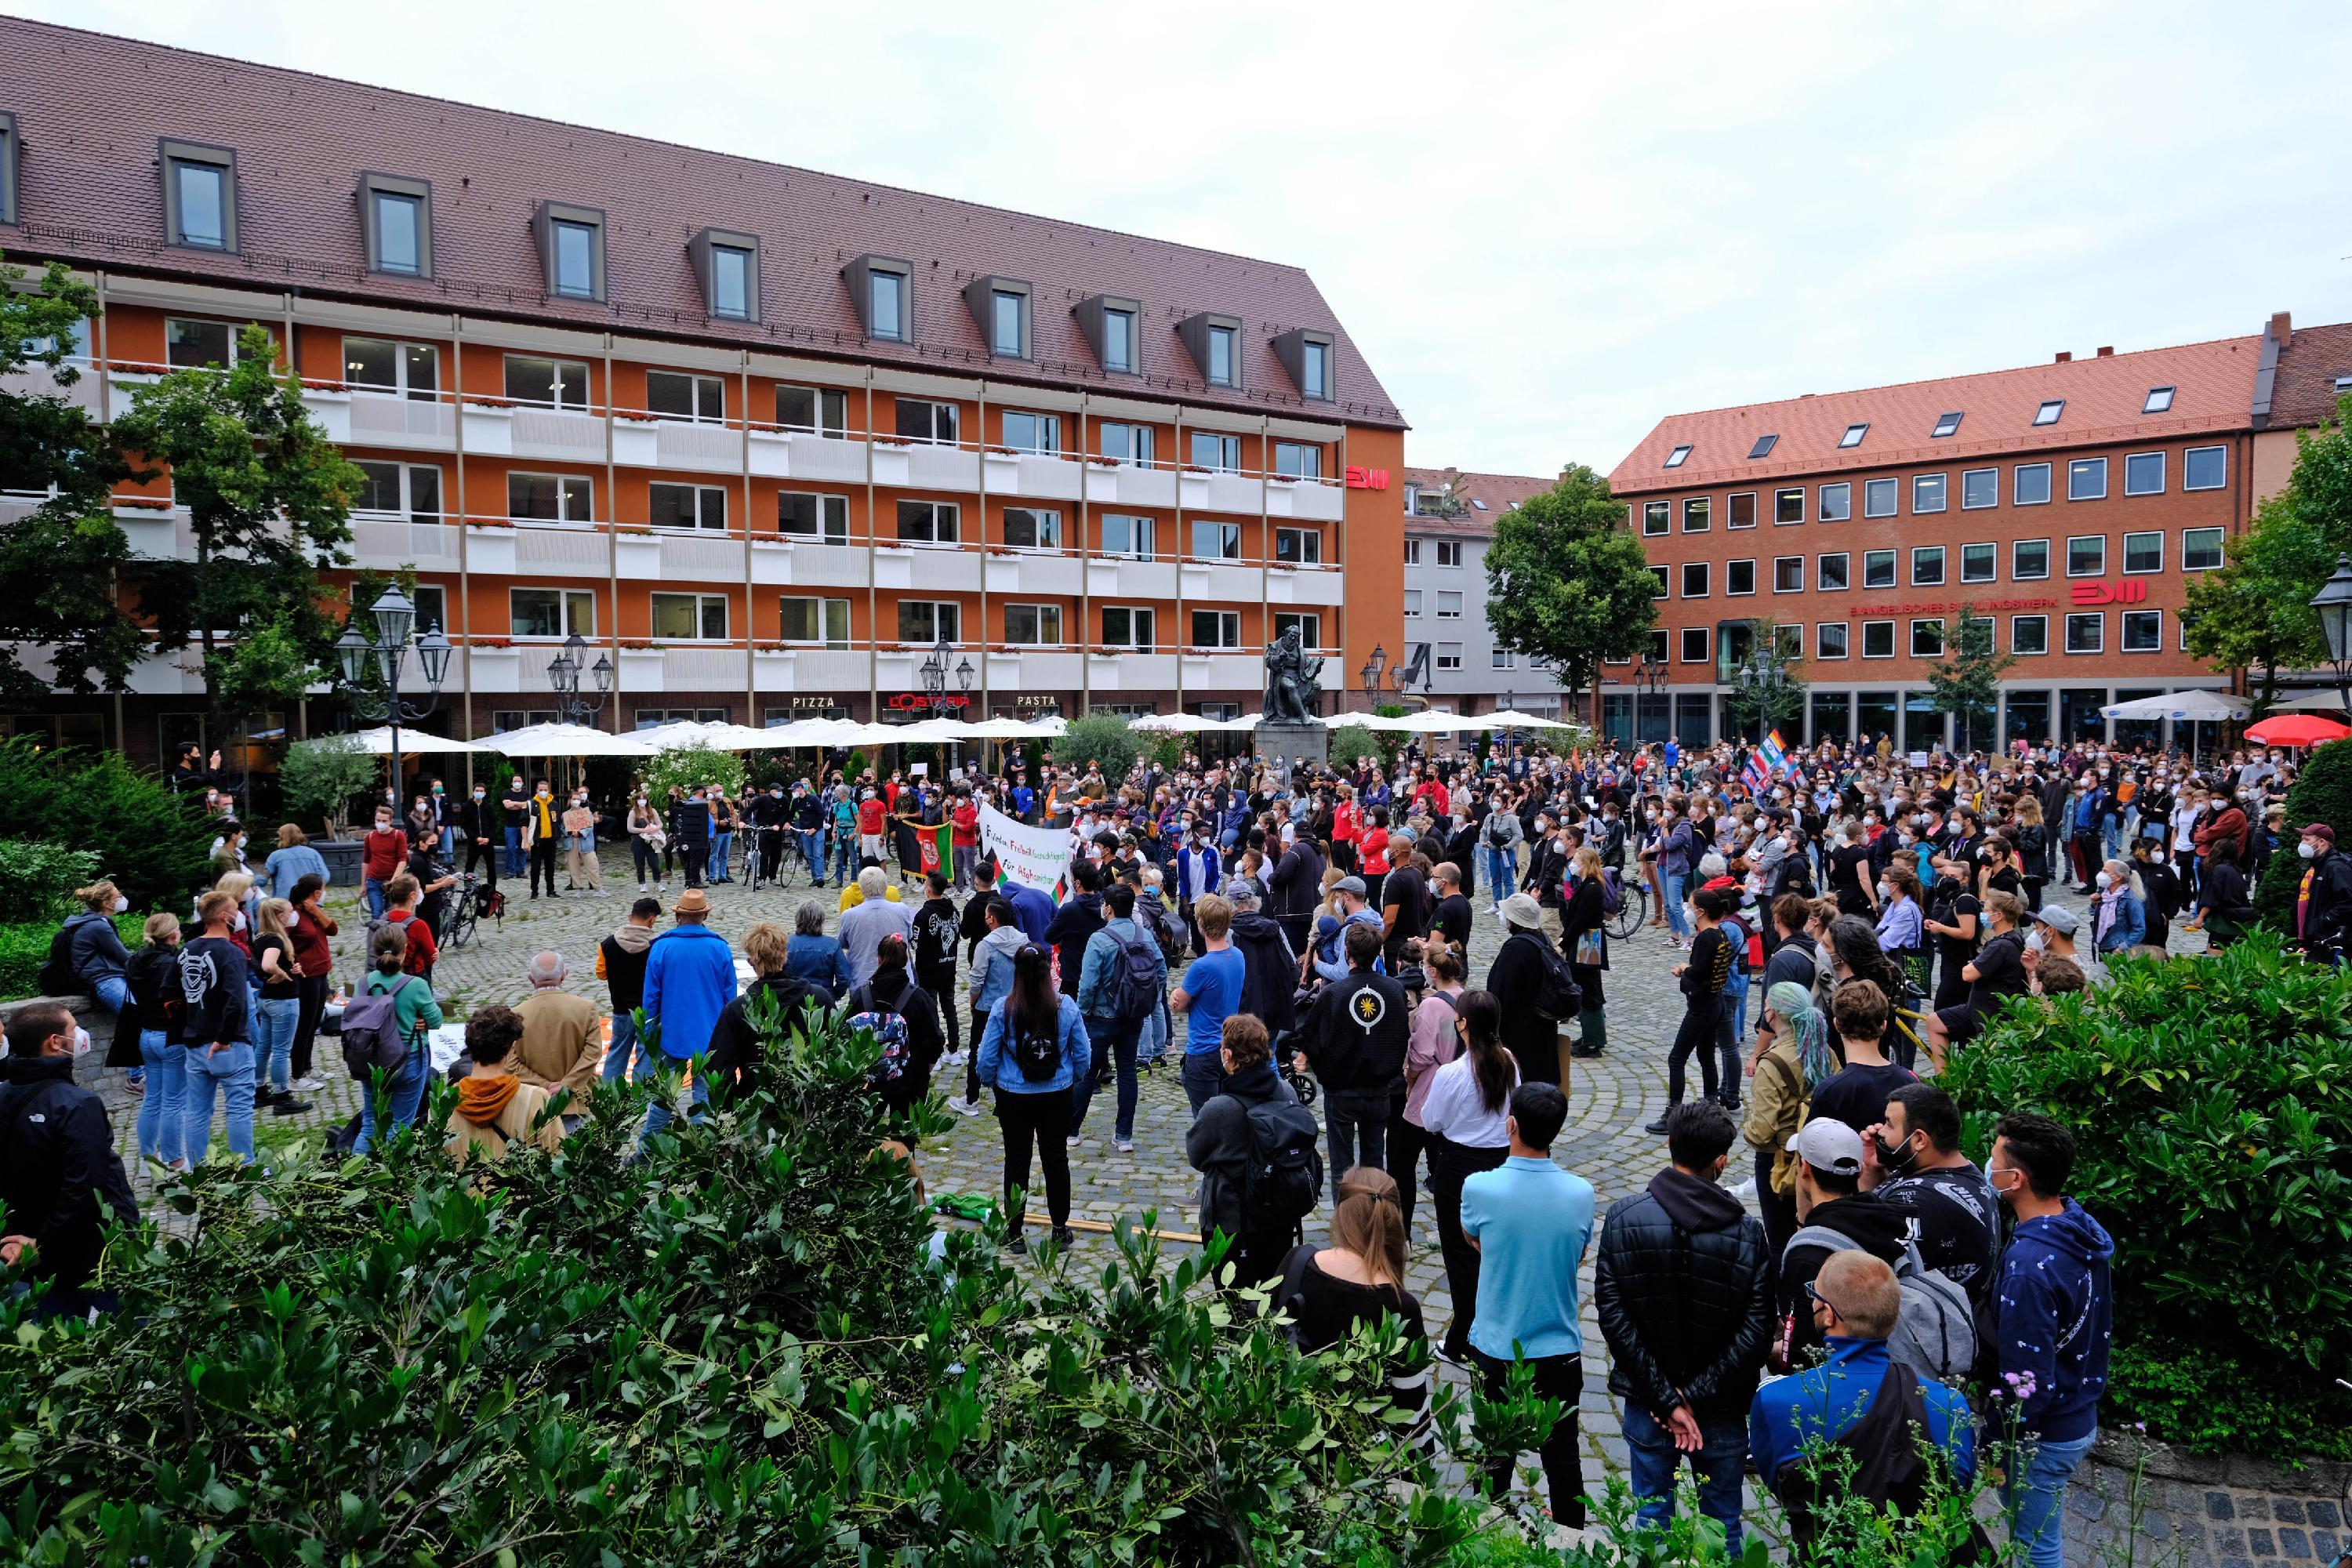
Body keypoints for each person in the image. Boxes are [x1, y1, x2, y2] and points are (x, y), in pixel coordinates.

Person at [1595, 1101, 1772, 1553]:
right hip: (1723, 1407)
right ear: (1721, 1161)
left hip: (1648, 1405)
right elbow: (1756, 1333)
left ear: (1670, 1144)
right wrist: (1691, 1398)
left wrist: (1665, 1398)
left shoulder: (1622, 1219)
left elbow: (1615, 1320)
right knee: (1724, 1525)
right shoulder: (1749, 1234)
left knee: (1651, 1519)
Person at [1748, 1250, 1976, 1552]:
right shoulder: (1948, 1404)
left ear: (1828, 1315)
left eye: (1815, 1294)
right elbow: (1954, 1493)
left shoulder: (1774, 1400)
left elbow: (1781, 1486)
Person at [1459, 1081, 1595, 1528]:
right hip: (1558, 1349)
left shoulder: (1480, 1188)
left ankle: (1489, 1541)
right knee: (1563, 1462)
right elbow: (1577, 1255)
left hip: (1497, 1348)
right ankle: (1573, 1548)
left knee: (1493, 1461)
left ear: (1510, 1124)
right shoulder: (1581, 1194)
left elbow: (1473, 1238)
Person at [1989, 1112, 2114, 1568]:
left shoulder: (2029, 1267)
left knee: (2035, 1551)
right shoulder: (2076, 1225)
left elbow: (2028, 1383)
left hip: (2043, 1435)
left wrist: (1998, 1446)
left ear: (2016, 1178)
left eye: (1994, 1158)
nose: (1988, 1164)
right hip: (2078, 1413)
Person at [0, 1001, 138, 1319]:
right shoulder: (77, 1105)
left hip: (25, 1242)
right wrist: (45, 1241)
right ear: (55, 1042)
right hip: (88, 1247)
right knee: (124, 1323)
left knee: (52, 1331)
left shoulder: (5, 1093)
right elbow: (88, 1185)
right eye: (74, 1028)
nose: (81, 1035)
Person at [1273, 1166, 1432, 1440]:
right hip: (1362, 1458)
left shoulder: (1297, 1263)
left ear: (1340, 1214)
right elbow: (1410, 1415)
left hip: (1290, 1438)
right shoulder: (1401, 1306)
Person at [1421, 989, 1520, 1363]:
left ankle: (1462, 1338)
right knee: (1495, 1251)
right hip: (1500, 1162)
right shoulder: (1509, 1062)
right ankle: (1489, 1328)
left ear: (1462, 1025)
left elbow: (1432, 1121)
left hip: (1459, 1167)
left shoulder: (1452, 1074)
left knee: (1461, 1256)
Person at [974, 942, 1091, 1253]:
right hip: (1057, 1093)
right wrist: (1072, 1077)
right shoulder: (1065, 1006)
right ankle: (1059, 1227)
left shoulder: (1003, 1008)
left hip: (1014, 1094)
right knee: (1056, 1158)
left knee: (1016, 1160)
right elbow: (1083, 1054)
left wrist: (989, 1081)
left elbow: (986, 1057)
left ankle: (1014, 1232)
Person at [1185, 1012, 1313, 1288]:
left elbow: (1196, 1155)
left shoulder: (1219, 1108)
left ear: (1228, 1055)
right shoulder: (1286, 1092)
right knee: (1271, 1292)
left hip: (1232, 1219)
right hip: (1278, 1212)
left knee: (1231, 1300)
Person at [1777, 1116, 1908, 1367]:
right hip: (1887, 1367)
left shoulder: (1808, 1253)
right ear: (1858, 1170)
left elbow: (1803, 1350)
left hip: (1834, 1386)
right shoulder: (1884, 1219)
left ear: (1805, 1168)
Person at [1860, 1083, 2000, 1312]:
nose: (1881, 1132)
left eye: (1889, 1124)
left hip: (1916, 1338)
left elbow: (1860, 1266)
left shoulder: (1917, 1203)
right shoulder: (1960, 1170)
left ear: (1919, 1140)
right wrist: (1872, 1170)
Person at [1294, 921, 1409, 1196]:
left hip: (1343, 1090)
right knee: (1374, 1165)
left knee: (1342, 1169)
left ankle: (1347, 1229)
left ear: (1347, 953)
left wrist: (1326, 1076)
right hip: (1378, 1089)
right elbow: (1402, 1037)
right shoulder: (1394, 991)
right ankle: (1372, 1222)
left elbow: (1311, 1041)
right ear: (1378, 954)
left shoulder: (1334, 993)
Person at [1743, 979, 1835, 1258]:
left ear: (1774, 1014)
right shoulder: (1824, 1052)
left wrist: (1747, 1130)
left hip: (1778, 1161)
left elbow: (1761, 1131)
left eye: (1767, 1006)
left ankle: (1784, 1297)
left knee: (1779, 1238)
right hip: (1819, 1152)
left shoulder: (1771, 1063)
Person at [1073, 882, 1164, 1153]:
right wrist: (1149, 1001)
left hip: (1100, 1017)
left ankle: (1071, 1131)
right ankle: (1124, 1135)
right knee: (1127, 1073)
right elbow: (1160, 971)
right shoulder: (1144, 935)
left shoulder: (1099, 939)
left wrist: (1082, 1013)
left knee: (1086, 1074)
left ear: (1109, 908)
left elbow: (1087, 985)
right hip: (1133, 1016)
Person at [641, 888, 739, 1141]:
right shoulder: (720, 948)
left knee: (665, 1096)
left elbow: (651, 999)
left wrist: (649, 1034)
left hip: (671, 1036)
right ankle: (704, 1147)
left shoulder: (662, 947)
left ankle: (648, 1147)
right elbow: (731, 998)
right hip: (710, 1036)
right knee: (703, 1096)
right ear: (704, 916)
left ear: (678, 917)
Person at [706, 920, 837, 1107]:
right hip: (811, 1106)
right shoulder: (820, 998)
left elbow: (718, 1070)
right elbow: (838, 1052)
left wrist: (736, 1102)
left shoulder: (738, 1009)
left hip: (759, 1107)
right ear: (785, 955)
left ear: (751, 960)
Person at [174, 888, 258, 1164]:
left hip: (195, 1042)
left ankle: (199, 1167)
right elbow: (236, 1000)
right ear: (224, 916)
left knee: (197, 1111)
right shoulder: (230, 952)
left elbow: (169, 993)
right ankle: (246, 1168)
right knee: (239, 1109)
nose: (241, 914)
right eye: (236, 909)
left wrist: (190, 1026)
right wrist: (224, 1036)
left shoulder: (187, 949)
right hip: (227, 1043)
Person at [1647, 887, 1733, 1133]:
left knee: (1677, 1058)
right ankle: (1711, 1105)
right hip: (1716, 1003)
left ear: (1702, 911)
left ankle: (1673, 1113)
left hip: (1702, 1007)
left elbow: (1697, 975)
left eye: (1691, 905)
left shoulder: (1706, 938)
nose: (1688, 909)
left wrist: (1683, 969)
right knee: (1706, 1058)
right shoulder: (1721, 935)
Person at [1394, 945, 1466, 1236]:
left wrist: (1409, 1078)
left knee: (1403, 1164)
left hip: (1428, 1092)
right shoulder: (1466, 998)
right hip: (1456, 1091)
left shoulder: (1432, 1006)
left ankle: (1404, 1232)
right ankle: (1450, 1230)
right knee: (1444, 1166)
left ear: (1432, 972)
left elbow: (1422, 1055)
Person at [351, 924, 441, 1156]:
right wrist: (421, 1019)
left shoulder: (363, 984)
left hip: (371, 1060)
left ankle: (356, 1173)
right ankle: (389, 1175)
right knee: (400, 1123)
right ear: (404, 950)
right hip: (408, 1058)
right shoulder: (416, 985)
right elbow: (436, 1019)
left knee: (370, 1121)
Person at [445, 1005, 567, 1164]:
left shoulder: (443, 1104)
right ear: (511, 1049)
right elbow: (558, 1159)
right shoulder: (536, 1099)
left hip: (461, 1190)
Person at [1926, 889, 2031, 1067]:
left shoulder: (2000, 945)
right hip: (1978, 1007)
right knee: (1935, 1021)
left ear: (1998, 916)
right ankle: (1943, 1078)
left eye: (1986, 910)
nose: (1982, 913)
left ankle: (1946, 1080)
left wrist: (1972, 965)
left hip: (1990, 1014)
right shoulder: (2014, 939)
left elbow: (1968, 974)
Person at [846, 933, 944, 1120]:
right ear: (905, 960)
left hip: (869, 1082)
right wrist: (926, 1068)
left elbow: (845, 1036)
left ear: (879, 959)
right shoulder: (919, 998)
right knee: (904, 1139)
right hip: (910, 1079)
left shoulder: (861, 995)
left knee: (863, 1137)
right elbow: (935, 1041)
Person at [951, 895, 1028, 1117]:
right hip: (1016, 1003)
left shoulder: (985, 945)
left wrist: (973, 1002)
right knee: (1013, 1049)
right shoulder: (1023, 940)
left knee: (978, 1051)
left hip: (988, 1006)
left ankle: (971, 1099)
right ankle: (1013, 1094)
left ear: (992, 919)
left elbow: (976, 979)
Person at [1808, 980, 1916, 1134]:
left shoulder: (1831, 1090)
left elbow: (1814, 1146)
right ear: (1883, 1026)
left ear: (1837, 1024)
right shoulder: (1909, 1080)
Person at [1171, 892, 1245, 1115]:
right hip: (1229, 1046)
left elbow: (1177, 1005)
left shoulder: (1202, 967)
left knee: (1206, 1121)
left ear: (1201, 925)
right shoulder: (1238, 955)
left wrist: (1176, 993)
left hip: (1203, 1051)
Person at [510, 951, 602, 1131]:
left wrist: (544, 1086)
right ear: (564, 975)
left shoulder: (515, 1015)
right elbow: (593, 1053)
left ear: (531, 979)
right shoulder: (586, 1008)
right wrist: (566, 1086)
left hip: (535, 1102)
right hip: (576, 1100)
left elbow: (511, 1063)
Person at [1486, 892, 1569, 1088]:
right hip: (1542, 1029)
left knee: (1523, 1088)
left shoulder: (1517, 948)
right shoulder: (1543, 940)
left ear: (1513, 920)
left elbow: (1501, 995)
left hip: (1520, 1034)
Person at [249, 898, 311, 1115]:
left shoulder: (261, 938)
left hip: (266, 1000)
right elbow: (268, 964)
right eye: (290, 911)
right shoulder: (276, 940)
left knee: (263, 1048)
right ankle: (282, 1096)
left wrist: (288, 968)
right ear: (279, 916)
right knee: (281, 1051)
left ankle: (259, 1090)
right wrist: (281, 973)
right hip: (283, 1001)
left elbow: (263, 964)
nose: (293, 915)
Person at [597, 897, 661, 1084]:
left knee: (617, 1053)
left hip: (621, 1009)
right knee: (647, 1056)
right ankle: (640, 1096)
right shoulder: (658, 945)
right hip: (649, 1012)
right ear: (652, 919)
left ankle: (609, 1094)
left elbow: (601, 974)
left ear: (630, 916)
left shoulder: (607, 944)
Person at [1559, 848, 1610, 1059]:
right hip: (1585, 941)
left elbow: (1581, 920)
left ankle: (1593, 1041)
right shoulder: (1588, 885)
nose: (1574, 864)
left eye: (1578, 861)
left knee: (1589, 992)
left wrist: (1564, 941)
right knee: (1584, 989)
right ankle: (1590, 1036)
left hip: (1587, 943)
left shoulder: (1592, 888)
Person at [913, 871, 963, 1066]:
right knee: (950, 1010)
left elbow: (915, 943)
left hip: (928, 973)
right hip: (948, 969)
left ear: (929, 889)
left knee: (931, 1012)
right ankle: (954, 1049)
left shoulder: (923, 915)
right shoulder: (954, 911)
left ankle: (934, 1050)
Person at [839, 866, 916, 989]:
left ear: (861, 888)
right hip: (901, 983)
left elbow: (843, 944)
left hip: (863, 981)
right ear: (885, 887)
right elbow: (909, 936)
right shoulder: (902, 910)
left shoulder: (849, 915)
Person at [382, 873, 440, 982]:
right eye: (419, 890)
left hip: (386, 975)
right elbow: (430, 958)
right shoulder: (418, 925)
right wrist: (435, 952)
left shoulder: (384, 918)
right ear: (412, 895)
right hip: (413, 976)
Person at [361, 803, 408, 920]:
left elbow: (402, 860)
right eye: (378, 820)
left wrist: (394, 880)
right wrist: (363, 884)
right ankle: (376, 938)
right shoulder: (370, 837)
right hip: (374, 880)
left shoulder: (398, 836)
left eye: (384, 821)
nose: (380, 823)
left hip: (392, 882)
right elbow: (366, 861)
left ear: (390, 821)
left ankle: (390, 938)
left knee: (392, 915)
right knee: (376, 914)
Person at [263, 824, 329, 901]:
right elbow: (325, 876)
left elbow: (264, 878)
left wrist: (250, 883)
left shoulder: (276, 856)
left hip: (285, 901)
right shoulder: (313, 853)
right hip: (310, 899)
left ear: (282, 837)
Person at [458, 782, 501, 891]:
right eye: (477, 791)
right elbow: (465, 825)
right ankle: (467, 889)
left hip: (487, 842)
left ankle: (492, 890)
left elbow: (494, 825)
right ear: (473, 792)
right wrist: (476, 838)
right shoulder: (466, 806)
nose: (479, 793)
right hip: (474, 842)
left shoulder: (488, 806)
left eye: (482, 791)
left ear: (485, 793)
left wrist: (489, 838)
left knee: (491, 867)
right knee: (470, 866)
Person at [564, 789, 606, 896]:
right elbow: (562, 828)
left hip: (585, 842)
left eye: (578, 799)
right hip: (571, 842)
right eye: (574, 799)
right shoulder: (565, 815)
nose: (576, 801)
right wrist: (570, 832)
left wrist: (581, 832)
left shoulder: (586, 813)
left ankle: (597, 888)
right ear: (570, 800)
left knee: (593, 865)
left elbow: (590, 826)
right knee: (573, 867)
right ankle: (578, 888)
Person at [525, 778, 562, 899]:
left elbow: (559, 820)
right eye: (540, 790)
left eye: (545, 790)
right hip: (537, 842)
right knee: (535, 868)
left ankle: (550, 890)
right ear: (536, 790)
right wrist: (526, 841)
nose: (543, 792)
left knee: (550, 867)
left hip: (550, 841)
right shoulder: (531, 804)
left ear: (548, 790)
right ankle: (534, 891)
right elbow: (524, 823)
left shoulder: (554, 804)